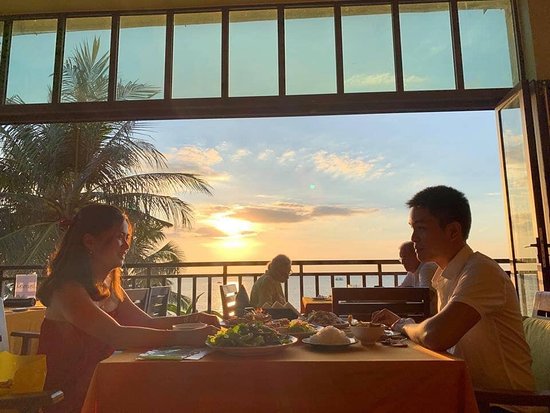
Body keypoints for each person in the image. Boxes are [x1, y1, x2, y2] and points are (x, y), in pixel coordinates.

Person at [36, 204, 219, 413]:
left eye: (127, 238)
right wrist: (185, 337)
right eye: (119, 237)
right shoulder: (68, 290)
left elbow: (146, 322)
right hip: (71, 398)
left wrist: (195, 318)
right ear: (90, 242)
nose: (126, 245)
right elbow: (117, 335)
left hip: (107, 384)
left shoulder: (108, 284)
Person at [373, 186, 536, 410]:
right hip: (466, 395)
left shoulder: (481, 271)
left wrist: (402, 325)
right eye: (413, 229)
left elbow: (436, 335)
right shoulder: (447, 275)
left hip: (503, 405)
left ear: (452, 231)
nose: (413, 239)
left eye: (421, 228)